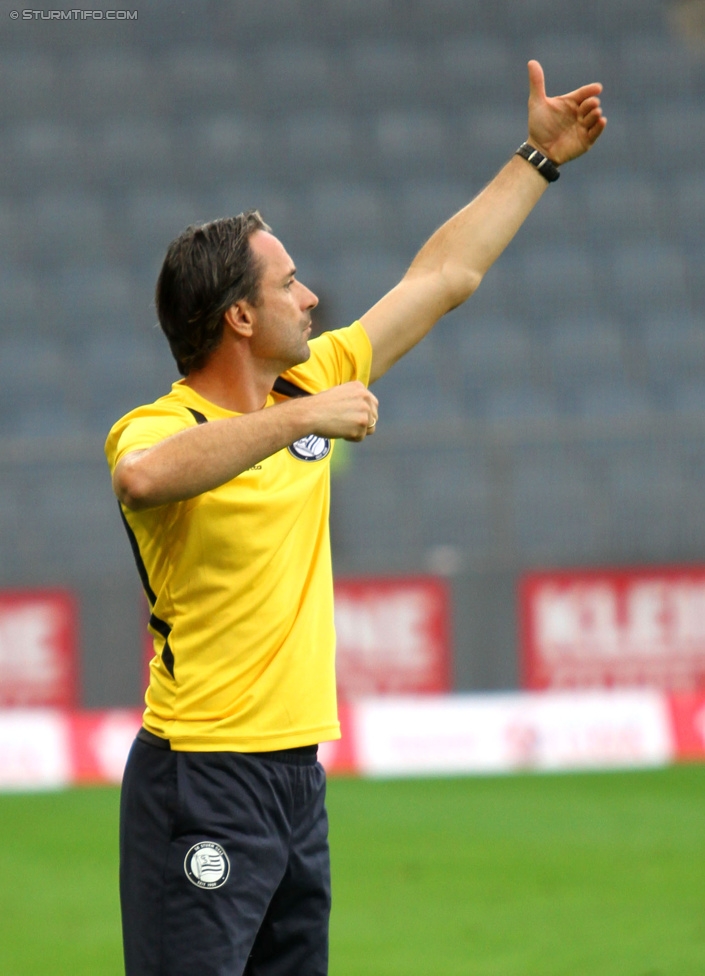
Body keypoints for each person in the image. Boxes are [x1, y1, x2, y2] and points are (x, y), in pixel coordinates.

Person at [105, 60, 605, 976]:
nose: (311, 299)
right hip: (202, 777)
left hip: (297, 777)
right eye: (290, 285)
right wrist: (300, 417)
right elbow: (143, 479)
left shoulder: (313, 374)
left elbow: (445, 273)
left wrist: (540, 154)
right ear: (241, 316)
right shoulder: (164, 423)